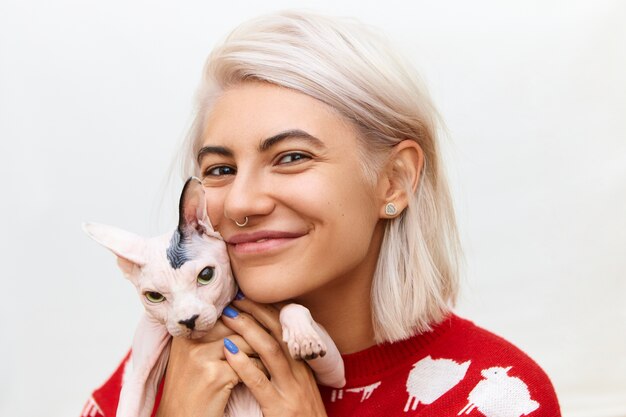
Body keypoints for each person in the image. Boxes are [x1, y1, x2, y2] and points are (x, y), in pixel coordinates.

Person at [82, 10, 561, 417]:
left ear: (393, 180)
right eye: (221, 168)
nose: (243, 203)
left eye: (291, 157)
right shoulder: (171, 361)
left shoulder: (492, 392)